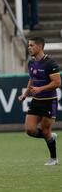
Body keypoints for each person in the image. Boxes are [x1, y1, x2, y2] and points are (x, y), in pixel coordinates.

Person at [18, 37, 60, 166]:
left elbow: (57, 83)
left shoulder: (50, 63)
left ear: (40, 47)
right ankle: (50, 137)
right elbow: (32, 79)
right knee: (29, 130)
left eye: (32, 45)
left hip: (49, 101)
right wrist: (25, 94)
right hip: (36, 101)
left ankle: (54, 158)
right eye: (28, 45)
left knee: (45, 130)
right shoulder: (31, 63)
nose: (29, 47)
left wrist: (40, 88)